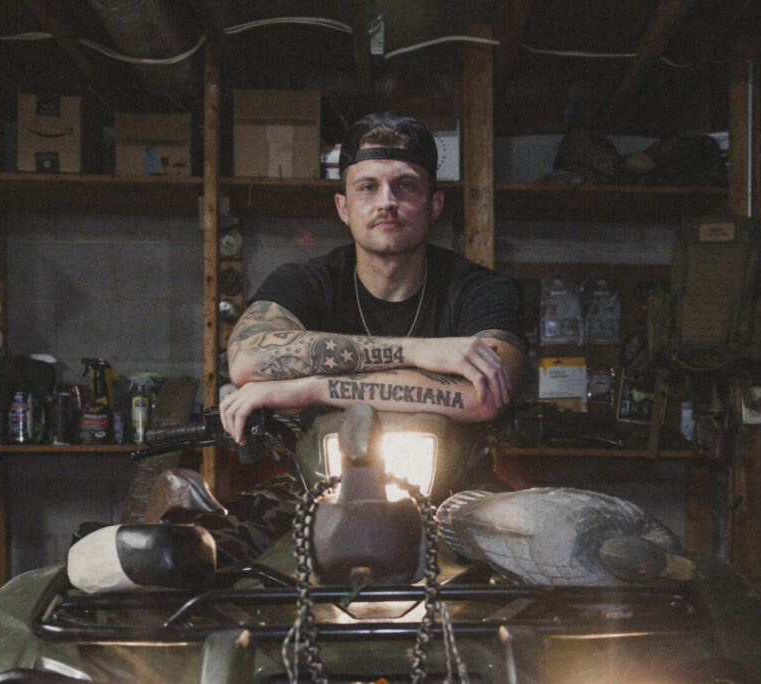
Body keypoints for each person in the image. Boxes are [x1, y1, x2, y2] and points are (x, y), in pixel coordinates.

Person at [205, 112, 528, 564]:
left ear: (434, 204)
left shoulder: (480, 289)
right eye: (368, 187)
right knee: (203, 552)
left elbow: (485, 395)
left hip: (458, 487)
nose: (387, 202)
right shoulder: (307, 281)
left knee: (542, 561)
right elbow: (248, 360)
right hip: (316, 482)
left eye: (406, 186)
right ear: (343, 207)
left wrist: (314, 386)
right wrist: (420, 351)